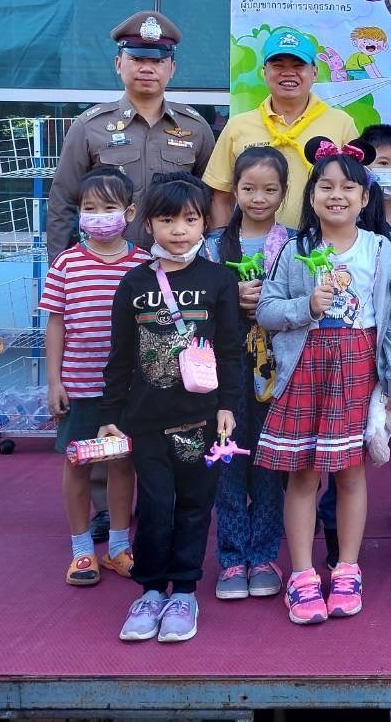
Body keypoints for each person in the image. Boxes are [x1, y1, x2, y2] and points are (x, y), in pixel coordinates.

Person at [254, 139, 391, 625]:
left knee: (350, 474)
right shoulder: (295, 249)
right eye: (326, 186)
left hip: (358, 368)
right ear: (312, 196)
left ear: (365, 198)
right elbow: (267, 311)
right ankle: (302, 576)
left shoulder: (380, 250)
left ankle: (347, 570)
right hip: (304, 370)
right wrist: (306, 308)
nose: (336, 195)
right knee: (303, 475)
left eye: (348, 187)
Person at [99, 174, 244, 645]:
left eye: (189, 219)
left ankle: (183, 593)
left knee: (196, 506)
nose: (178, 230)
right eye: (166, 220)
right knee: (156, 506)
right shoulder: (133, 283)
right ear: (148, 225)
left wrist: (228, 406)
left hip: (200, 420)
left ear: (204, 223)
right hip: (145, 421)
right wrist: (111, 415)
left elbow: (231, 351)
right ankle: (150, 592)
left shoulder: (219, 280)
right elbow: (119, 357)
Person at [317, 125, 391, 565]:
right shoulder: (349, 223)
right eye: (383, 164)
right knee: (345, 449)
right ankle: (334, 531)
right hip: (352, 353)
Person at [40, 167, 148, 587]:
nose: (98, 216)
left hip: (127, 392)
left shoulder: (144, 264)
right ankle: (82, 550)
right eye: (90, 208)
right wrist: (55, 382)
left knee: (122, 462)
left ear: (129, 212)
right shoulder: (67, 263)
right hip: (79, 387)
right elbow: (56, 324)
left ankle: (119, 546)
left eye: (108, 208)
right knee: (78, 463)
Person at [49, 11, 215, 260]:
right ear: (118, 64)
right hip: (108, 265)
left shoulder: (196, 128)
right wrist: (62, 268)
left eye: (158, 61)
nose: (147, 68)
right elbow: (63, 201)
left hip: (177, 265)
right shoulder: (89, 127)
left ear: (172, 68)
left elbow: (211, 201)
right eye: (137, 59)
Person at [203, 148, 293, 602]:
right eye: (249, 188)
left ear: (285, 192)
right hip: (225, 370)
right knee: (227, 459)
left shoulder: (297, 244)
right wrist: (229, 296)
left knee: (270, 463)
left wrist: (271, 303)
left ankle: (264, 555)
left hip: (280, 369)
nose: (259, 198)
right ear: (234, 190)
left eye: (270, 189)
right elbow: (193, 302)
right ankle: (232, 557)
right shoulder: (211, 245)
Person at [204, 29, 357, 230]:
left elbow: (355, 190)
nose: (288, 73)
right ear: (264, 72)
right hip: (252, 247)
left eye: (298, 66)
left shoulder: (341, 123)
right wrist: (223, 242)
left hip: (322, 243)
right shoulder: (238, 126)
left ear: (314, 72)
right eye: (278, 65)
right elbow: (221, 196)